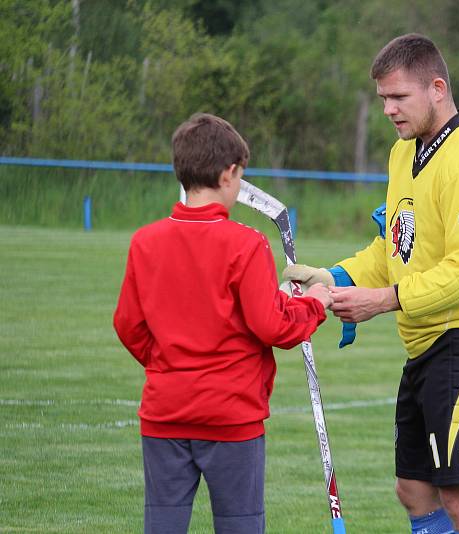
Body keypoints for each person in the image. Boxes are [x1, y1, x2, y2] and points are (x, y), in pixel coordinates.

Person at [284, 34, 459, 534]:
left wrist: (384, 301)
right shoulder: (403, 154)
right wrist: (334, 278)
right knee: (413, 491)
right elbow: (396, 247)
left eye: (399, 97)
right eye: (383, 100)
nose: (389, 110)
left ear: (437, 88)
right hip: (426, 346)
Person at [113, 113, 332, 534]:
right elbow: (273, 326)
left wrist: (167, 364)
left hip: (166, 411)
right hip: (232, 418)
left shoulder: (145, 241)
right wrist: (315, 305)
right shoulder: (247, 244)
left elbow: (128, 324)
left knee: (162, 524)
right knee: (240, 525)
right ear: (230, 174)